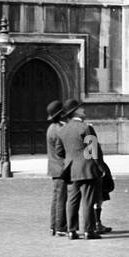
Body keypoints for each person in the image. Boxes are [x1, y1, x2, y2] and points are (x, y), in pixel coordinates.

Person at [59, 100, 103, 239]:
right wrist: (100, 167)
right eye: (81, 108)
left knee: (72, 201)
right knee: (88, 201)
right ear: (76, 111)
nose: (84, 110)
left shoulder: (63, 130)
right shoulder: (85, 128)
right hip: (87, 168)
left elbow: (59, 151)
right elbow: (93, 150)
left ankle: (71, 231)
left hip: (71, 169)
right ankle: (88, 230)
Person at [46, 100, 69, 237]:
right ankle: (61, 226)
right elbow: (61, 150)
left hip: (53, 167)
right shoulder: (61, 129)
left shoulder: (51, 128)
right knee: (61, 198)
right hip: (61, 167)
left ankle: (53, 226)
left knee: (56, 198)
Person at [88, 125, 113, 235]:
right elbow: (94, 153)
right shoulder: (87, 130)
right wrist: (101, 168)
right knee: (98, 197)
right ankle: (96, 223)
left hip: (84, 169)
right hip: (94, 169)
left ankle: (94, 223)